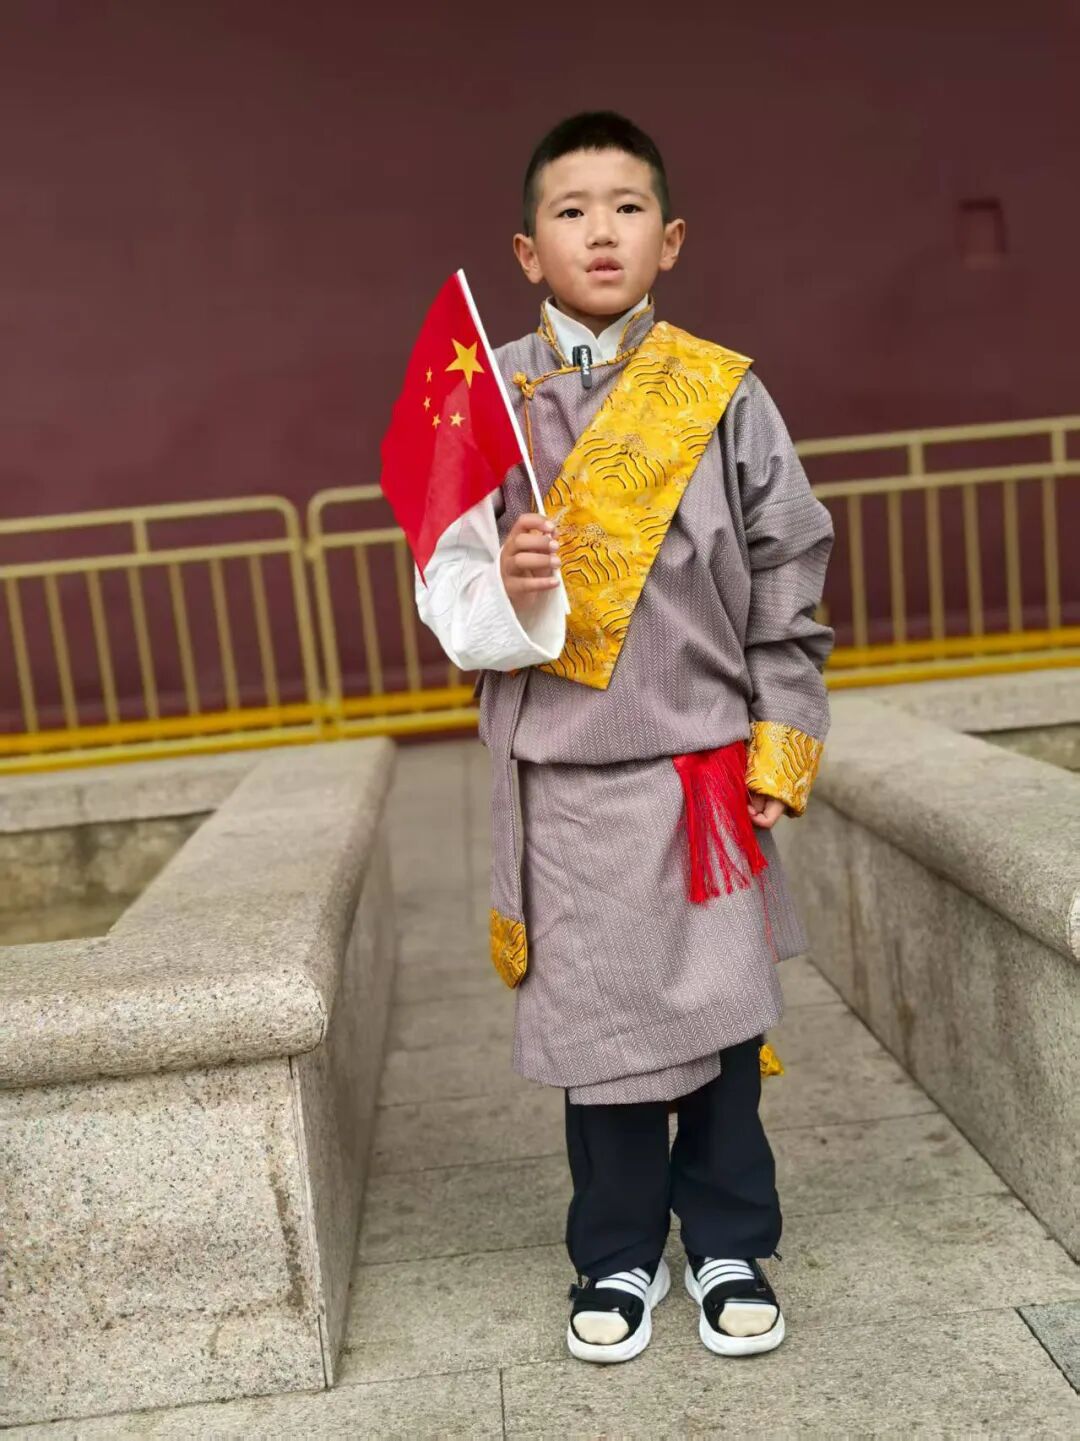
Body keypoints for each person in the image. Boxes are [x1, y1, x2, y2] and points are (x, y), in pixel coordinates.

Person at [414, 111, 834, 1364]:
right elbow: (445, 589)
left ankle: (728, 1240)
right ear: (528, 250)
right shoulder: (486, 400)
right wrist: (516, 577)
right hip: (567, 783)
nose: (602, 230)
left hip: (699, 767)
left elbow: (785, 571)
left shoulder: (725, 393)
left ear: (672, 238)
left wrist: (785, 735)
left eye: (628, 207)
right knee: (597, 1041)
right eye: (571, 210)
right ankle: (610, 1252)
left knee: (718, 1027)